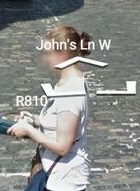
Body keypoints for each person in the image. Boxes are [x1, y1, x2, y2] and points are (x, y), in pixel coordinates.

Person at [8, 25, 91, 191]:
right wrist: (34, 120)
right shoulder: (69, 81)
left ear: (63, 54)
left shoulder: (70, 92)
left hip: (65, 181)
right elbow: (58, 122)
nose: (44, 58)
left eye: (48, 53)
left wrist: (29, 131)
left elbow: (63, 146)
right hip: (59, 176)